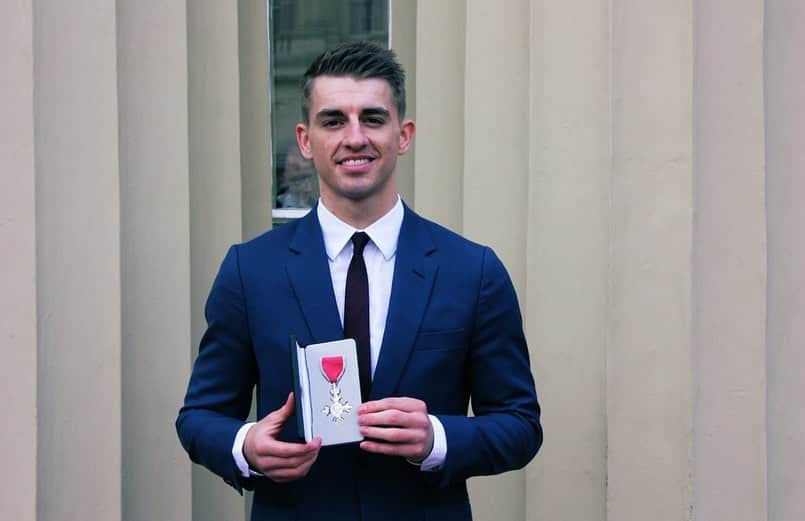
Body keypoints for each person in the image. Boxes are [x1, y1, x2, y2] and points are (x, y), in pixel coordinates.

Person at [176, 40, 542, 521]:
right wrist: (245, 446)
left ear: (403, 134)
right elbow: (199, 416)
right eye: (333, 121)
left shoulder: (472, 271)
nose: (354, 137)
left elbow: (519, 424)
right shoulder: (251, 271)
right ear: (306, 140)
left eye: (372, 118)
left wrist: (438, 438)